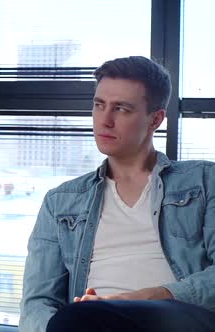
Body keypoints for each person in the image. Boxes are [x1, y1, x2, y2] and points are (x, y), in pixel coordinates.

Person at [19, 56, 215, 332]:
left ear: (155, 119)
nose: (105, 120)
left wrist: (146, 296)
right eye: (99, 105)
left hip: (180, 318)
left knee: (80, 317)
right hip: (89, 323)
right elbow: (36, 302)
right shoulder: (60, 201)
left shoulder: (204, 181)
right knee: (73, 318)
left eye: (121, 109)